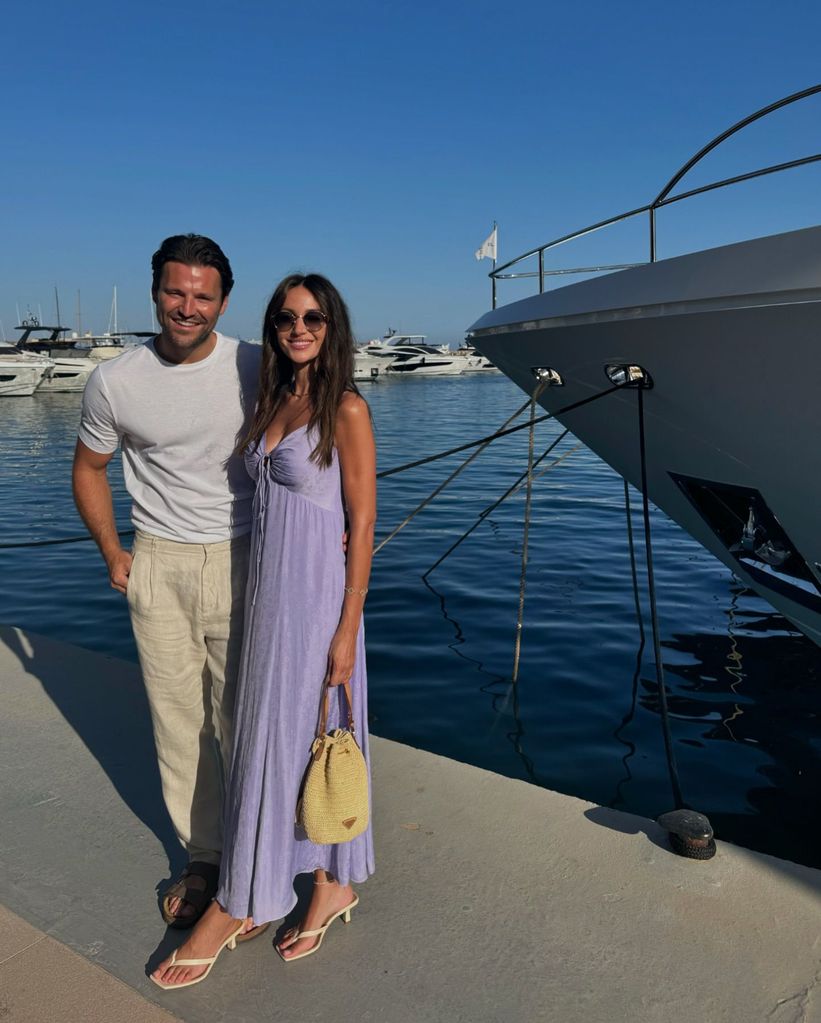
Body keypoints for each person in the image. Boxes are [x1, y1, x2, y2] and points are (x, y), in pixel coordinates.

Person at [151, 272, 376, 989]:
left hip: (316, 608)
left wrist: (346, 629)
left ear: (332, 324)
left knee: (302, 743)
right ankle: (265, 884)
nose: (297, 327)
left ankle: (305, 887)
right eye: (284, 318)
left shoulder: (345, 407)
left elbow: (362, 523)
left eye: (311, 316)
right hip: (267, 600)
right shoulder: (278, 397)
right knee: (265, 743)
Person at [72, 234, 263, 931]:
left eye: (202, 295)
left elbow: (329, 430)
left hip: (247, 558)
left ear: (222, 300)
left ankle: (256, 854)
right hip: (159, 562)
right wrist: (112, 551)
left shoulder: (255, 364)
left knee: (245, 720)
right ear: (156, 290)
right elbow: (88, 468)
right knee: (179, 724)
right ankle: (204, 857)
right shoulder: (115, 381)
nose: (188, 307)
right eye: (176, 292)